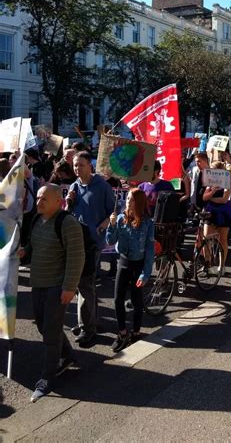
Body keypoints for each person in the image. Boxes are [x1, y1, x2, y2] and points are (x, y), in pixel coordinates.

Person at [22, 184, 85, 402]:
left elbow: (77, 257)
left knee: (50, 332)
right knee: (44, 326)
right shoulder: (37, 220)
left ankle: (46, 379)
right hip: (38, 283)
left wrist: (69, 287)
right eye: (38, 198)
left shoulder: (67, 223)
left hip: (57, 286)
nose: (38, 202)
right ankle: (67, 356)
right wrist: (24, 251)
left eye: (44, 199)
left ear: (58, 202)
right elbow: (33, 246)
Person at [67, 151, 115, 347]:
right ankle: (90, 321)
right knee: (83, 285)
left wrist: (101, 227)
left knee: (84, 284)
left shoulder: (102, 186)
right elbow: (69, 213)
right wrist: (69, 202)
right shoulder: (74, 186)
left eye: (81, 165)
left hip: (93, 243)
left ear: (90, 166)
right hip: (76, 242)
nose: (77, 169)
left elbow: (113, 211)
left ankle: (88, 329)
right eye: (75, 165)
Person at [106, 188, 154, 352]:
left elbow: (149, 249)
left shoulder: (147, 223)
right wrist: (111, 226)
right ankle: (122, 333)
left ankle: (136, 332)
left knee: (136, 301)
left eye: (131, 200)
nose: (127, 202)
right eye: (127, 199)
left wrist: (145, 273)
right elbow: (110, 240)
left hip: (138, 264)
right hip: (123, 262)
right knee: (118, 299)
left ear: (139, 203)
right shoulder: (120, 219)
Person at [202, 161, 231, 274]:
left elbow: (224, 199)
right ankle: (207, 264)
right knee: (206, 238)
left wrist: (212, 199)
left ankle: (222, 265)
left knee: (222, 240)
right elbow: (204, 197)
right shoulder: (210, 183)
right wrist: (212, 191)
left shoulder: (226, 180)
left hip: (223, 212)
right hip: (210, 212)